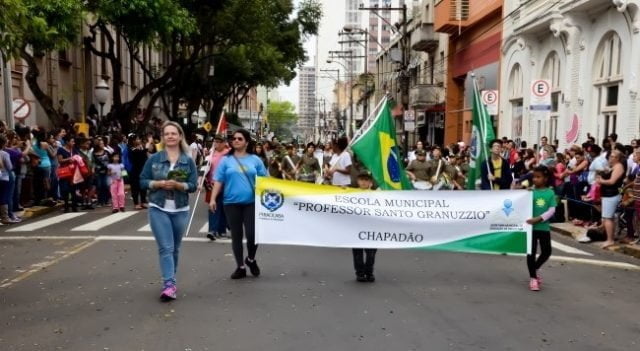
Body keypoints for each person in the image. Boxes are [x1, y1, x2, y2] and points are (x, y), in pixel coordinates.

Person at [140, 121, 198, 301]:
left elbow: (193, 185)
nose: (171, 136)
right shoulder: (154, 159)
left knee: (175, 249)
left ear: (180, 136)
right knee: (166, 247)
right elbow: (142, 181)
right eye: (167, 134)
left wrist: (180, 185)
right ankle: (169, 284)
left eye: (174, 133)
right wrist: (157, 184)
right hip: (158, 207)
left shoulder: (188, 161)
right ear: (163, 138)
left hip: (180, 209)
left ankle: (171, 280)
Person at [209, 129, 267, 279]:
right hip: (230, 203)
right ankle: (240, 266)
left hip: (251, 202)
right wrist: (213, 199)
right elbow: (218, 181)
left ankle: (251, 259)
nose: (235, 141)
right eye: (233, 138)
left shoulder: (255, 160)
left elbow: (265, 181)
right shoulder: (226, 160)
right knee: (236, 235)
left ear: (247, 142)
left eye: (240, 139)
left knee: (253, 234)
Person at [525, 166, 556, 291]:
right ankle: (533, 278)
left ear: (545, 178)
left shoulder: (550, 193)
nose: (535, 179)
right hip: (530, 228)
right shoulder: (529, 192)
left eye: (538, 177)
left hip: (543, 227)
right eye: (534, 177)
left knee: (546, 251)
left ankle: (535, 268)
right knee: (530, 252)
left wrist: (538, 219)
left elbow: (552, 210)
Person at [351, 171, 377, 282]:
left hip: (372, 227)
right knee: (357, 252)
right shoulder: (351, 194)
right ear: (357, 181)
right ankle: (360, 273)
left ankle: (369, 272)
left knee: (371, 253)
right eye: (361, 179)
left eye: (366, 180)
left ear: (370, 182)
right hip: (356, 226)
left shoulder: (378, 195)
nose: (363, 182)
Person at [596, 150, 625, 249]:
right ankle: (609, 238)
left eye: (613, 157)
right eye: (610, 156)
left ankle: (610, 240)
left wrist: (601, 181)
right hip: (607, 194)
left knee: (608, 218)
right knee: (607, 218)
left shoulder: (618, 167)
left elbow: (612, 181)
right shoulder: (612, 167)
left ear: (618, 158)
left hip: (611, 194)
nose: (610, 158)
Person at [203, 134, 229, 240]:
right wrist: (202, 181)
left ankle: (222, 230)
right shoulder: (210, 154)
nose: (216, 143)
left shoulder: (229, 154)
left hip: (226, 184)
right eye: (215, 141)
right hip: (212, 184)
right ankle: (212, 230)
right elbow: (204, 169)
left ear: (224, 143)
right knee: (213, 206)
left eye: (219, 141)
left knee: (224, 208)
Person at [57, 136, 80, 213]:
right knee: (65, 189)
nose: (73, 143)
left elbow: (78, 157)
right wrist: (68, 159)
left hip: (73, 172)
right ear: (67, 142)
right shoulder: (61, 150)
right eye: (72, 141)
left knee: (73, 189)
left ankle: (74, 206)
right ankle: (66, 205)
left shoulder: (74, 150)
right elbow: (60, 160)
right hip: (65, 172)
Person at [128, 135, 148, 209]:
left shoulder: (141, 148)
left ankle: (143, 202)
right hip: (134, 170)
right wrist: (145, 149)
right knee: (135, 187)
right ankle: (136, 203)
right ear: (133, 141)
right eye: (137, 139)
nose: (139, 140)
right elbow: (139, 155)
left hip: (143, 169)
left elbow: (144, 157)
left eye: (139, 139)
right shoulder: (131, 149)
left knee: (143, 186)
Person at [93, 137, 111, 207]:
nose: (102, 145)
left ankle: (106, 201)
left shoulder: (106, 152)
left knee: (106, 185)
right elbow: (94, 163)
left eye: (103, 143)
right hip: (98, 172)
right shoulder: (94, 154)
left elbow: (110, 161)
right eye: (101, 144)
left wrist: (109, 170)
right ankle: (100, 201)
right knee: (99, 186)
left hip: (106, 171)